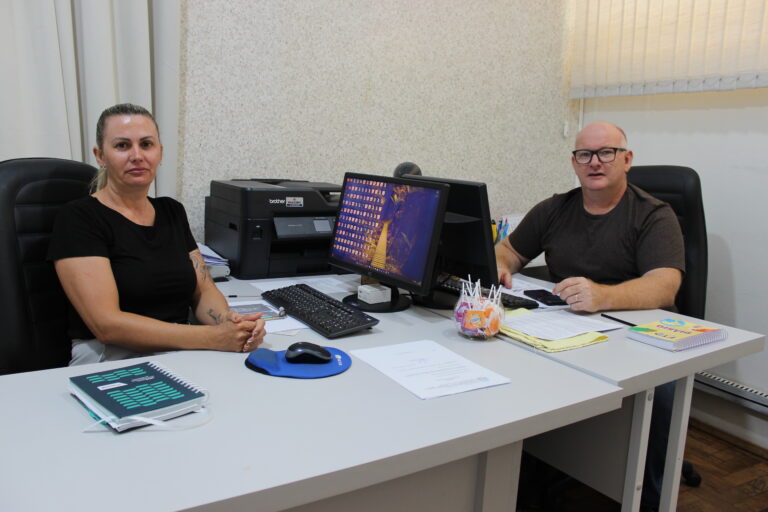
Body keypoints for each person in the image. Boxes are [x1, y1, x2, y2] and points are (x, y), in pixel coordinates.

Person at [495, 121, 685, 511]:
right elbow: (508, 250)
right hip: (570, 326)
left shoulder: (654, 214)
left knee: (662, 393)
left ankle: (648, 496)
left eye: (606, 152)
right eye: (585, 154)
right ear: (574, 162)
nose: (595, 162)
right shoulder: (554, 209)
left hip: (639, 336)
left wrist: (604, 295)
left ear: (626, 159)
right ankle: (533, 475)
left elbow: (665, 285)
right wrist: (500, 266)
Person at [48, 103, 266, 365]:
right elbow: (107, 326)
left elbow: (203, 289)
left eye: (146, 144)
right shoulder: (78, 218)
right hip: (111, 354)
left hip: (180, 347)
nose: (137, 155)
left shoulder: (171, 211)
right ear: (100, 155)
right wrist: (212, 337)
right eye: (122, 145)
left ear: (160, 152)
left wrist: (229, 322)